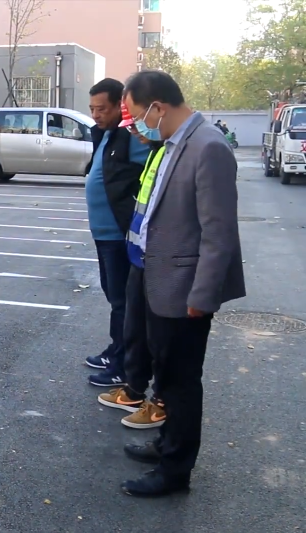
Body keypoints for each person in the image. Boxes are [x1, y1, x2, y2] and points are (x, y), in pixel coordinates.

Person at [120, 70, 245, 497]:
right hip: (160, 280)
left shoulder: (208, 146)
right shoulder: (174, 143)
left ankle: (175, 472)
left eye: (139, 114)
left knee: (181, 381)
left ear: (159, 106)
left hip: (185, 290)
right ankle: (165, 443)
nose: (138, 123)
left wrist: (203, 296)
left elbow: (219, 232)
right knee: (165, 371)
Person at [96, 102, 168, 430]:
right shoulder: (153, 149)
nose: (135, 131)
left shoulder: (178, 150)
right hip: (139, 249)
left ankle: (162, 408)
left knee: (164, 339)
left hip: (162, 259)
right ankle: (136, 389)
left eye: (137, 123)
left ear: (158, 109)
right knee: (135, 320)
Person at [83, 78, 151, 389]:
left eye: (102, 109)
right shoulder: (107, 135)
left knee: (123, 301)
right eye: (92, 109)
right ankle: (116, 348)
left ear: (119, 106)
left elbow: (151, 170)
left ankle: (124, 363)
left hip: (119, 234)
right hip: (103, 234)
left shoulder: (132, 137)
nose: (96, 115)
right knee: (115, 297)